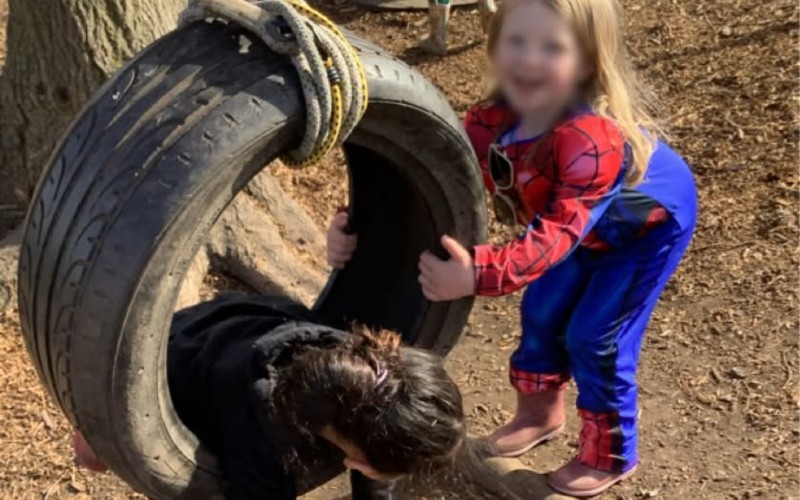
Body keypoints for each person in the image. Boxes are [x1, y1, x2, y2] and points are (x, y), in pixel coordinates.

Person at [328, 0, 698, 496]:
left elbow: (551, 240)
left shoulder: (593, 141)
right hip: (580, 231)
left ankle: (611, 453)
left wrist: (478, 273)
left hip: (643, 233)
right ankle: (540, 416)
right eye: (516, 41)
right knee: (544, 313)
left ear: (587, 61)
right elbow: (425, 175)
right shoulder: (492, 120)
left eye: (551, 47)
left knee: (595, 337)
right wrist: (356, 224)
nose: (528, 59)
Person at [73, 294, 466, 499]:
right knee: (95, 457)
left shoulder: (361, 371)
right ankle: (91, 425)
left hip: (234, 329)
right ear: (361, 459)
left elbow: (379, 426)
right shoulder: (267, 449)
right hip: (173, 366)